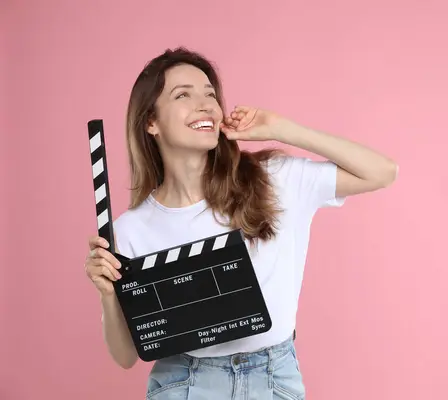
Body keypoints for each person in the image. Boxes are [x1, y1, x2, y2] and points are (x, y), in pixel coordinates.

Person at [84, 47, 397, 399]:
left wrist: (283, 129)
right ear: (150, 121)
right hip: (186, 382)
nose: (205, 104)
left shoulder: (273, 179)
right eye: (183, 94)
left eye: (210, 94)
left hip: (274, 377)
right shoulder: (129, 232)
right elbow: (126, 357)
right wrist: (109, 295)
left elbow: (382, 172)